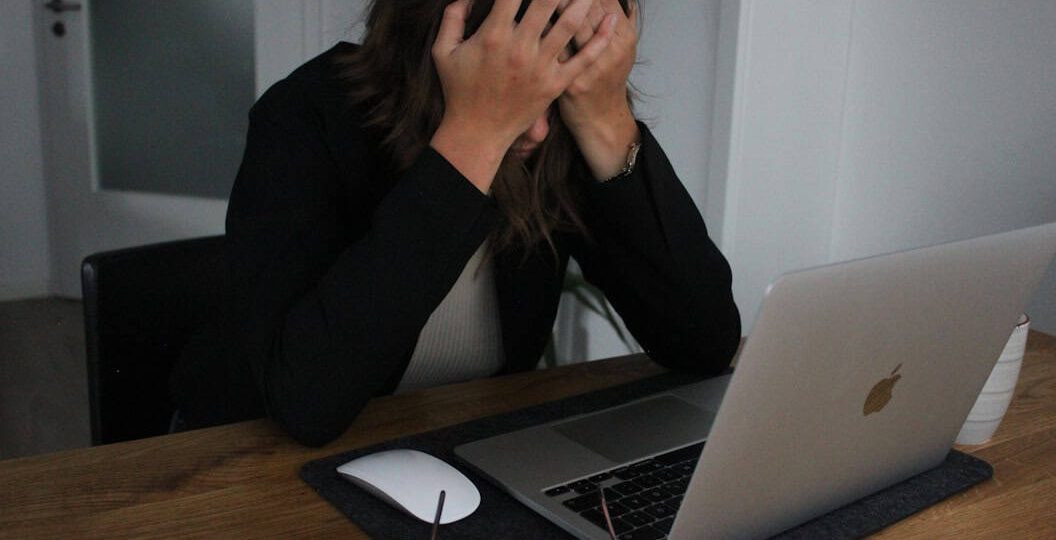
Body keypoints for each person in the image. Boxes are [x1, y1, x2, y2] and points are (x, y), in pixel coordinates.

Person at [170, 0, 741, 447]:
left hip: (453, 448)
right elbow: (307, 402)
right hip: (244, 458)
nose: (540, 130)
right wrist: (474, 139)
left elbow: (703, 341)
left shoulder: (564, 128)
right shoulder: (304, 115)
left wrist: (606, 118)